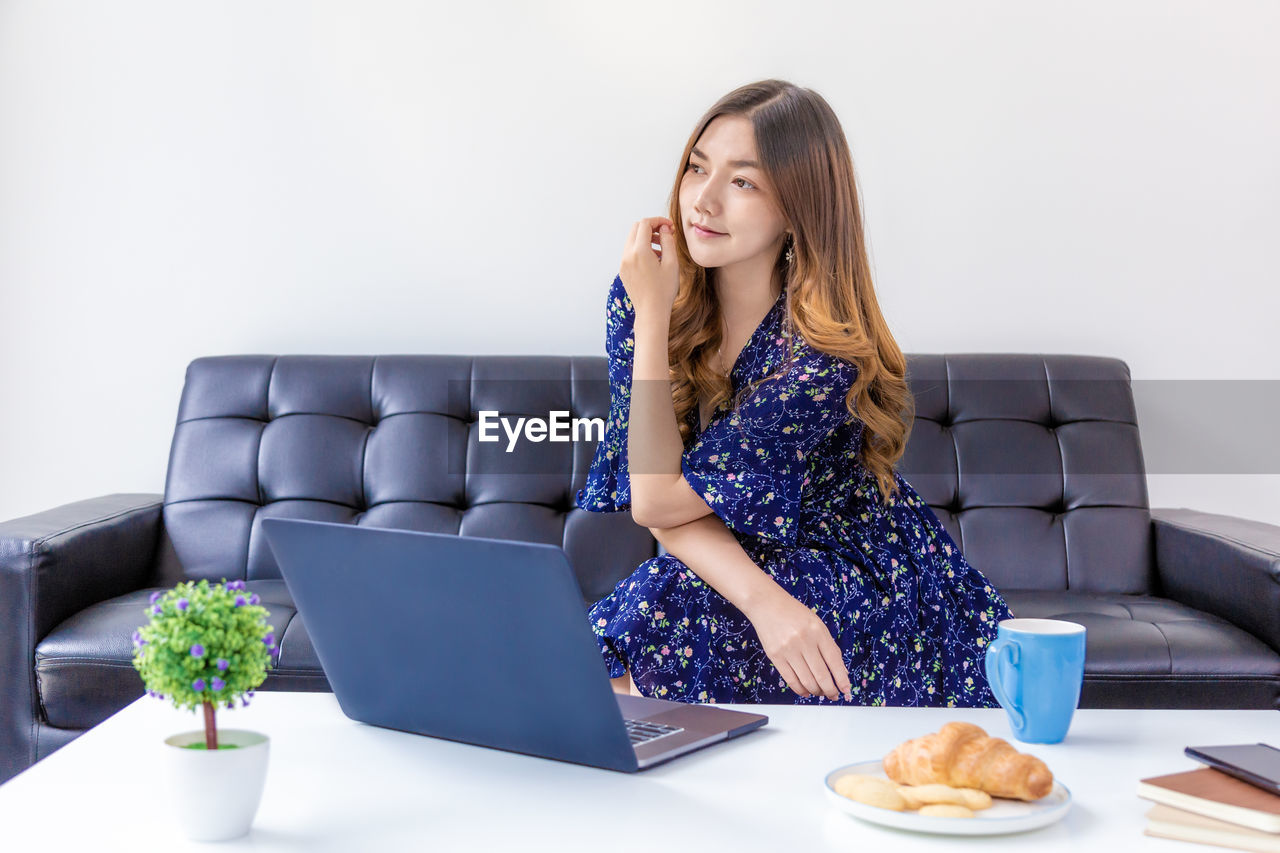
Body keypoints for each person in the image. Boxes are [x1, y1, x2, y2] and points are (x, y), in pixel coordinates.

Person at [574, 79, 1015, 707]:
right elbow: (659, 502)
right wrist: (650, 314)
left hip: (853, 560)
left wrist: (780, 610)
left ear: (797, 209)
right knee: (660, 604)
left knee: (666, 607)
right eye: (697, 168)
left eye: (743, 182)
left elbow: (659, 499)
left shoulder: (821, 353)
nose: (702, 201)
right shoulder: (646, 293)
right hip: (733, 558)